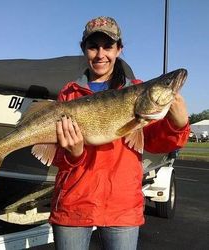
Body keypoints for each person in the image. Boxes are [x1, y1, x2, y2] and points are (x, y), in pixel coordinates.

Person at [49, 16, 190, 250]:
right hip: (74, 203)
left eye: (108, 46)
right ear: (84, 49)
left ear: (119, 49)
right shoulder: (69, 94)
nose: (100, 54)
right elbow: (56, 157)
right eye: (93, 46)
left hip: (121, 206)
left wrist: (178, 123)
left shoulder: (137, 90)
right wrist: (74, 154)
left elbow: (156, 143)